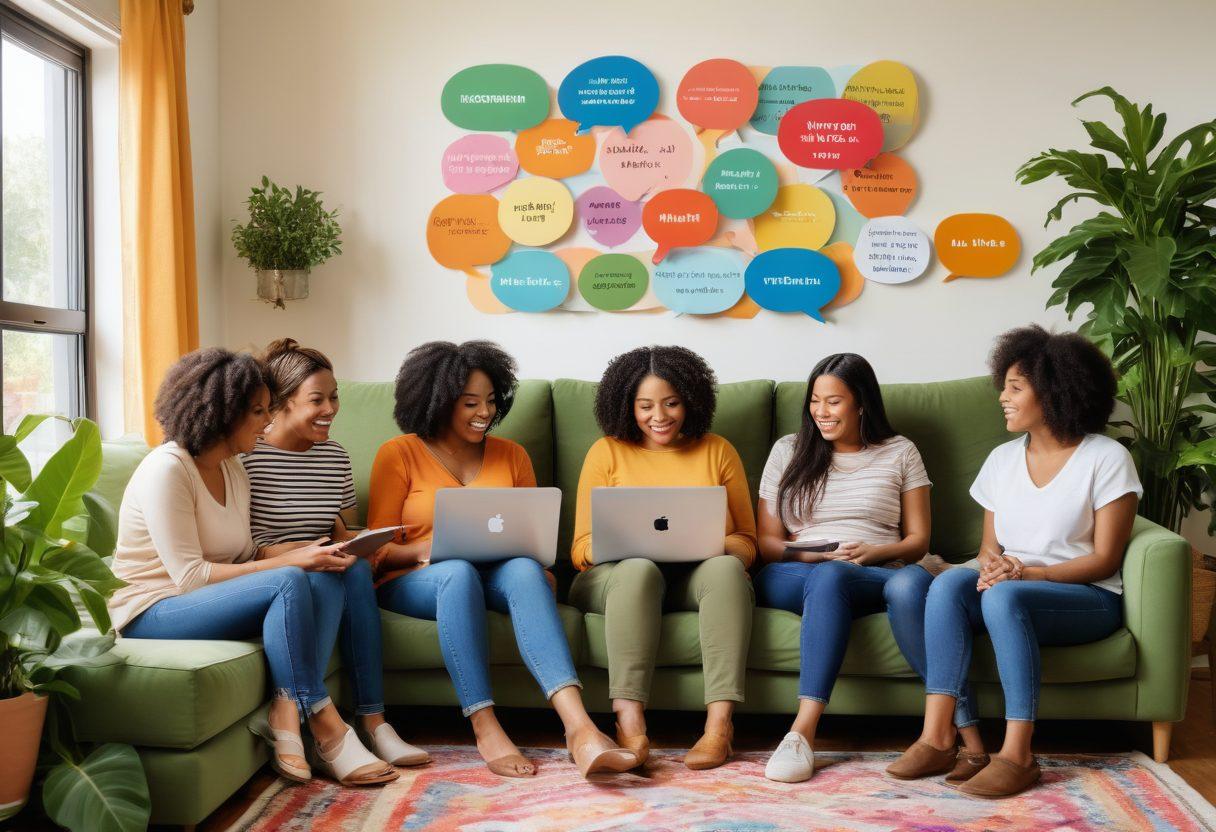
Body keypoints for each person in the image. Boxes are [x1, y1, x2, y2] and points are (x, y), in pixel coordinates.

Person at [108, 348, 397, 787]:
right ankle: (322, 721)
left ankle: (288, 710)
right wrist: (288, 563)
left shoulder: (232, 468)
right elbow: (190, 577)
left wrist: (306, 551)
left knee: (323, 574)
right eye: (258, 411)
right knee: (288, 579)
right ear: (224, 414)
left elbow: (245, 553)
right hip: (152, 609)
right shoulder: (167, 469)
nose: (267, 421)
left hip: (205, 599)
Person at [887, 325, 1141, 798]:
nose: (1002, 397)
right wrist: (994, 567)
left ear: (1054, 391)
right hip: (1014, 586)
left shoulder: (1106, 458)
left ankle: (1018, 755)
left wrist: (1025, 573)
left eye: (1015, 387)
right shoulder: (1002, 460)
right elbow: (990, 547)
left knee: (1003, 597)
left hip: (1085, 597)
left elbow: (1105, 559)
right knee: (946, 586)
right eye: (1003, 386)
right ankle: (938, 738)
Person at [367, 340, 636, 779]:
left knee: (525, 569)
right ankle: (485, 725)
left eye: (491, 400)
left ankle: (579, 728)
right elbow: (378, 550)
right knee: (456, 572)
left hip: (493, 575)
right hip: (416, 579)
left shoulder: (512, 455)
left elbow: (532, 537)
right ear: (437, 401)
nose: (485, 412)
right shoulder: (399, 453)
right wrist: (425, 550)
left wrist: (539, 570)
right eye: (470, 402)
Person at [568, 345, 757, 771]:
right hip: (619, 580)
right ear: (627, 406)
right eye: (645, 406)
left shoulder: (717, 450)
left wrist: (705, 542)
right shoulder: (606, 452)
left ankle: (719, 728)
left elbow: (747, 543)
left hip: (694, 578)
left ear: (690, 400)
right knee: (639, 569)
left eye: (671, 403)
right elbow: (580, 549)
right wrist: (626, 542)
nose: (660, 416)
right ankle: (629, 723)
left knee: (726, 568)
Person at [242, 338, 428, 768]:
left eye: (334, 396)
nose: (330, 409)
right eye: (317, 400)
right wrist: (303, 553)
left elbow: (341, 528)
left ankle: (373, 721)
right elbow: (240, 546)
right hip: (275, 576)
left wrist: (369, 543)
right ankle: (323, 719)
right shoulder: (248, 457)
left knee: (356, 568)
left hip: (325, 564)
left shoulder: (335, 457)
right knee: (334, 574)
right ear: (283, 402)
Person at [754, 353, 938, 783]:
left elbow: (918, 542)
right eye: (815, 401)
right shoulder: (787, 451)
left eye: (834, 401)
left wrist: (874, 553)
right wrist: (815, 555)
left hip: (872, 570)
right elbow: (767, 543)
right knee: (828, 574)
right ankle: (801, 734)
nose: (821, 411)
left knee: (835, 576)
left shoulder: (900, 451)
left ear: (862, 404)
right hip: (796, 569)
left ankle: (802, 732)